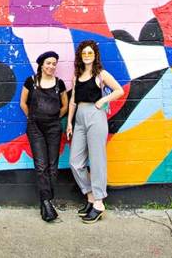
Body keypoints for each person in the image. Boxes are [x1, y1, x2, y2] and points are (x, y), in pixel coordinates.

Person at [67, 40, 123, 223]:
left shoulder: (101, 74)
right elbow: (73, 101)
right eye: (84, 53)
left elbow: (119, 91)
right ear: (80, 56)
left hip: (95, 115)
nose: (87, 56)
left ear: (95, 55)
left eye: (90, 53)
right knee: (75, 162)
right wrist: (69, 123)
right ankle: (90, 196)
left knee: (97, 159)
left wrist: (103, 100)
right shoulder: (77, 76)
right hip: (79, 118)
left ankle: (99, 203)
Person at [19, 50, 68, 222]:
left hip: (54, 127)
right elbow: (23, 103)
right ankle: (47, 203)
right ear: (41, 64)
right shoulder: (31, 82)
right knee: (41, 165)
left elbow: (65, 106)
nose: (51, 66)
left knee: (52, 166)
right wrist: (32, 118)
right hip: (35, 128)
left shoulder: (59, 84)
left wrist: (54, 118)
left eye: (54, 63)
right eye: (48, 63)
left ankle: (46, 202)